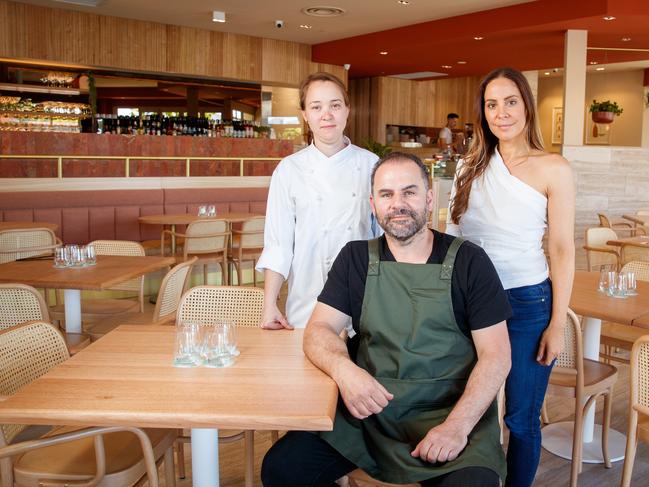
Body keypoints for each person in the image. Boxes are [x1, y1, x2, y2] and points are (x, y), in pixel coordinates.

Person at [262, 152, 512, 487]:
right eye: (386, 194)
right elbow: (319, 329)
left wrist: (457, 427)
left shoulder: (470, 261)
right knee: (282, 469)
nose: (398, 204)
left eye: (409, 192)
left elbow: (496, 356)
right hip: (368, 416)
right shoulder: (356, 258)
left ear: (428, 198)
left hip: (447, 412)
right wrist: (345, 371)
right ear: (373, 203)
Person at [446, 67, 575, 487]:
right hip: (469, 304)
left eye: (510, 102)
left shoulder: (553, 167)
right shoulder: (469, 166)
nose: (501, 113)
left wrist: (558, 325)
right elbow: (451, 238)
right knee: (471, 411)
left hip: (527, 305)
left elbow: (560, 249)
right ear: (483, 113)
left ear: (526, 106)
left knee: (520, 419)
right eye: (491, 104)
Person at [256, 72, 380, 329]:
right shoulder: (289, 170)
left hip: (365, 301)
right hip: (306, 302)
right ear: (305, 114)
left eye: (335, 105)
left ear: (347, 110)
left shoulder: (372, 165)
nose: (327, 114)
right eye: (316, 107)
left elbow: (385, 239)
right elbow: (279, 245)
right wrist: (269, 305)